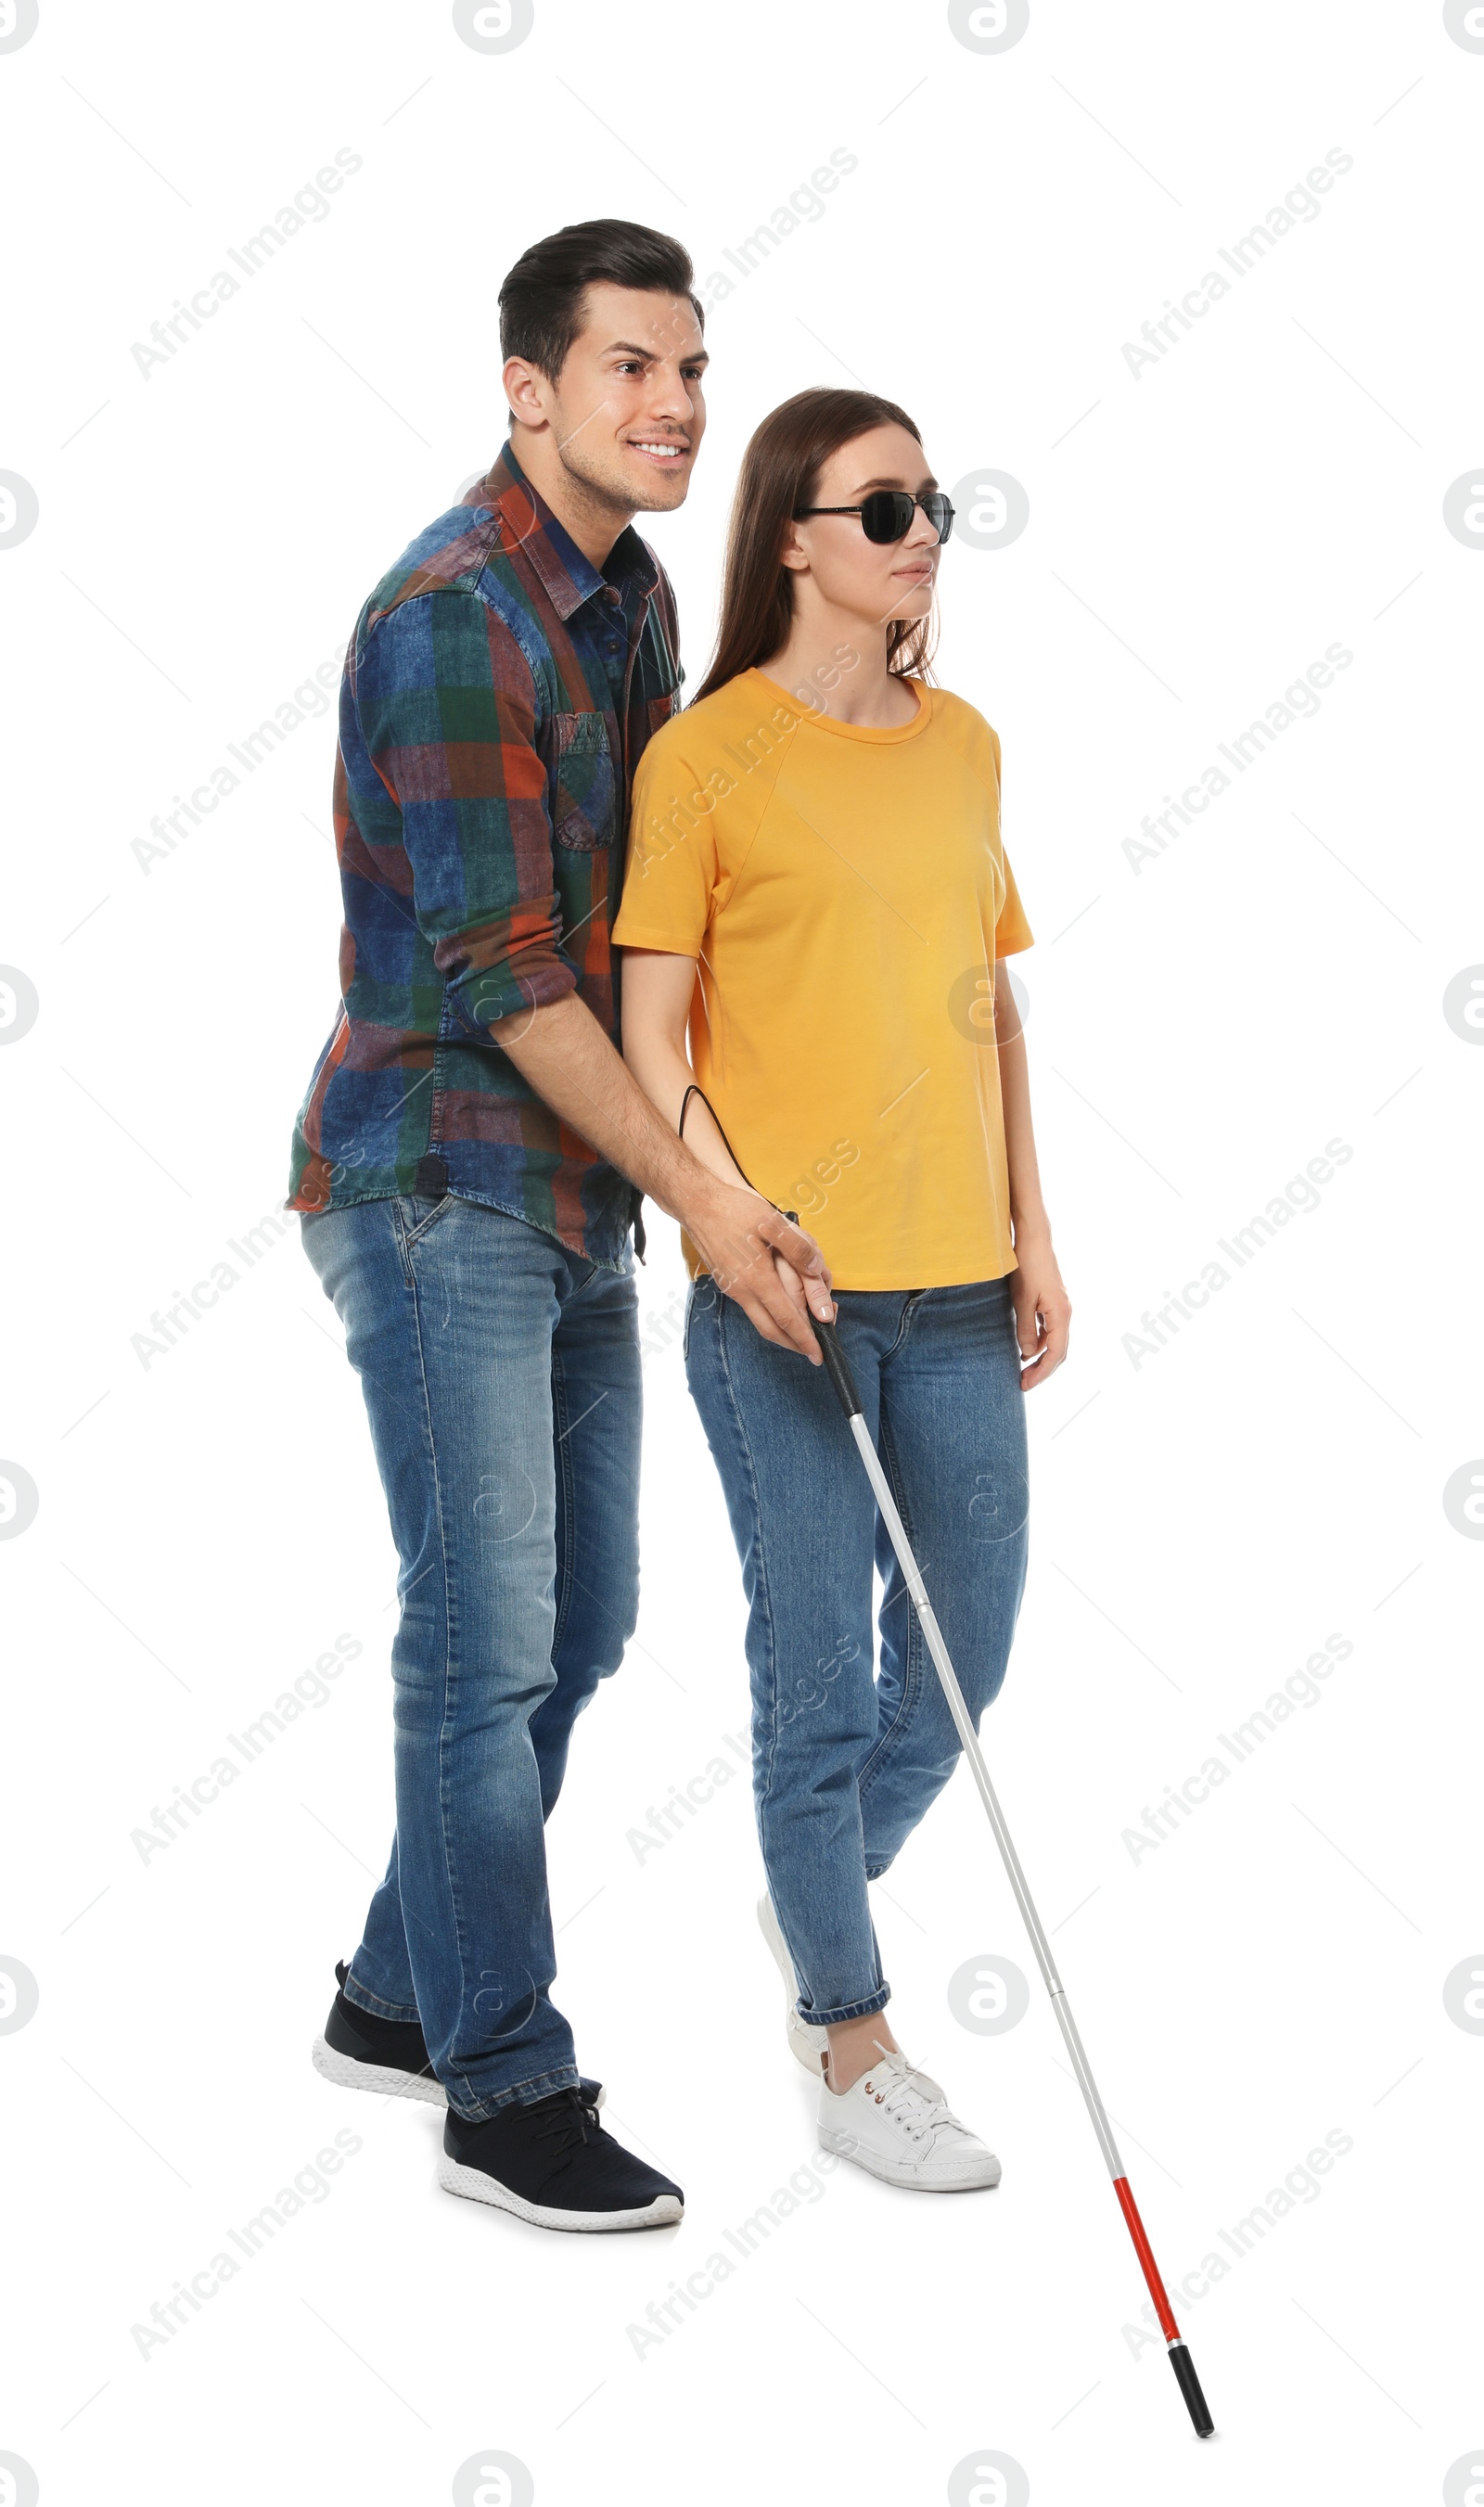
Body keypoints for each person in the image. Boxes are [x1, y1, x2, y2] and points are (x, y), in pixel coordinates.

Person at [288, 224, 832, 2233]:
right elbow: (517, 977)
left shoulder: (627, 598)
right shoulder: (453, 614)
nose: (674, 404)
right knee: (481, 1627)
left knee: (575, 1623)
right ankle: (500, 2079)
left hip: (577, 1186)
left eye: (690, 368)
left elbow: (639, 936)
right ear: (527, 386)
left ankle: (387, 1987)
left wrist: (714, 1163)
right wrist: (699, 1189)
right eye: (626, 369)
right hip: (435, 1174)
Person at [616, 387, 1071, 2194]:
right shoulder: (701, 756)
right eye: (879, 506)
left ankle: (803, 1885)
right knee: (818, 1688)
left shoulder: (958, 744)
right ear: (789, 538)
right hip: (780, 1303)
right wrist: (721, 1212)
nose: (918, 534)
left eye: (930, 503)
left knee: (957, 1663)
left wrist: (1034, 1227)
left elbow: (991, 999)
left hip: (958, 1292)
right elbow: (653, 1031)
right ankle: (852, 2031)